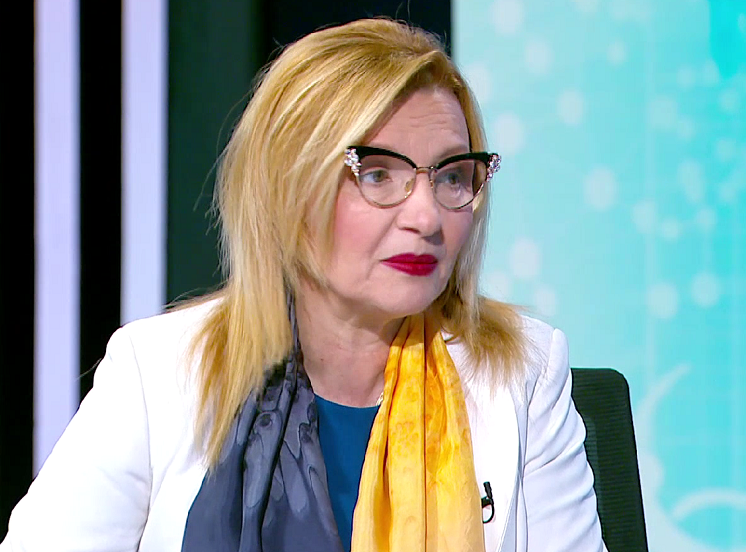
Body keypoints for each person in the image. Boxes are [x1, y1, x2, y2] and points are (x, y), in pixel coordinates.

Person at [1, 18, 606, 552]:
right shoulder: (158, 372)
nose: (427, 216)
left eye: (451, 176)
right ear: (290, 188)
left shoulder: (523, 372)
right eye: (378, 173)